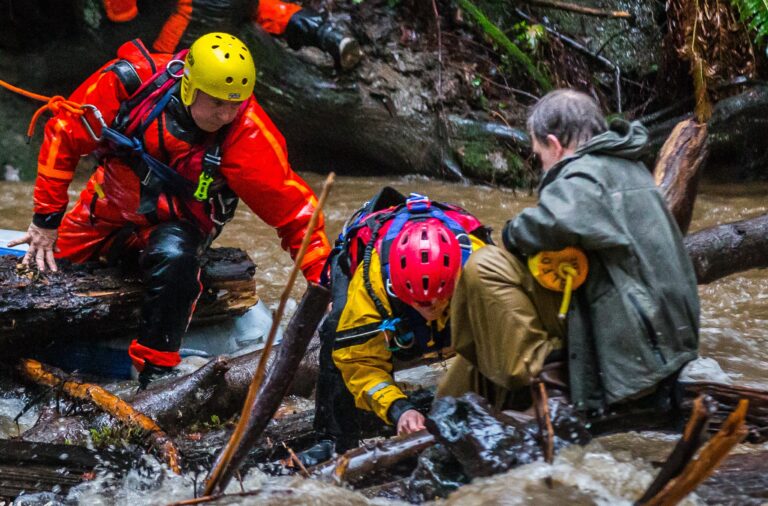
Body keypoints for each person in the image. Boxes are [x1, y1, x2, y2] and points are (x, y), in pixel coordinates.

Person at [9, 32, 331, 388]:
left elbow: (294, 212)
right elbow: (64, 133)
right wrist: (46, 220)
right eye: (217, 103)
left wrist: (325, 286)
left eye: (235, 104)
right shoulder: (131, 83)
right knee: (45, 279)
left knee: (176, 255)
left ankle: (155, 370)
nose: (226, 114)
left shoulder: (247, 135)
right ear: (189, 86)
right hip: (106, 207)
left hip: (178, 223)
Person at [439, 89, 699, 417]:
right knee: (483, 338)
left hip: (634, 357)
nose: (541, 165)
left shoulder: (586, 173)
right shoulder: (628, 167)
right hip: (660, 347)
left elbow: (556, 221)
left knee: (484, 265)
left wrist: (512, 232)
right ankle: (442, 414)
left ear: (555, 144)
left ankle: (546, 376)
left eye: (539, 155)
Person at [309, 188, 491, 459]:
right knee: (336, 332)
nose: (430, 309)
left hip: (459, 280)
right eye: (419, 303)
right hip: (373, 268)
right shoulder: (372, 285)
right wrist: (399, 409)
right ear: (397, 288)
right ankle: (333, 440)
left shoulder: (482, 271)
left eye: (438, 300)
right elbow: (359, 365)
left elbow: (507, 340)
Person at [102, 0, 361, 70]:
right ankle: (325, 32)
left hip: (196, 13)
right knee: (263, 10)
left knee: (162, 68)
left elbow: (122, 14)